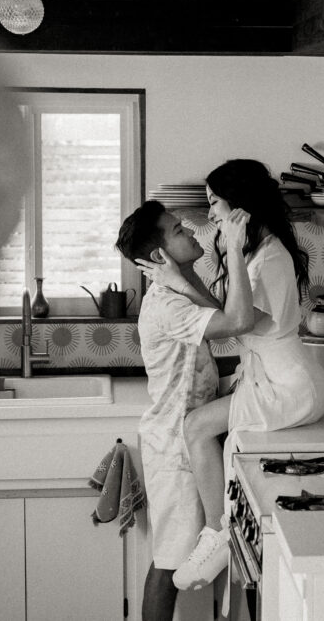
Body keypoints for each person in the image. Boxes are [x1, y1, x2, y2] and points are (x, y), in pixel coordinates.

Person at [136, 159, 324, 592]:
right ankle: (219, 530)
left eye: (213, 204)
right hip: (277, 381)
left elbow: (236, 323)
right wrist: (187, 277)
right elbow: (228, 317)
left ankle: (216, 532)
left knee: (197, 426)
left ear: (238, 206)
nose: (208, 216)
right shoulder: (259, 251)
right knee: (199, 428)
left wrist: (224, 254)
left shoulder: (269, 257)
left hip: (289, 387)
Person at [115, 200, 252, 621]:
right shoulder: (165, 305)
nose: (192, 232)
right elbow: (233, 324)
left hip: (193, 434)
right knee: (168, 562)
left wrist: (184, 275)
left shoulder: (179, 287)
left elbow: (221, 313)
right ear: (159, 255)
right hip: (176, 446)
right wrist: (233, 245)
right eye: (178, 230)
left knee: (190, 554)